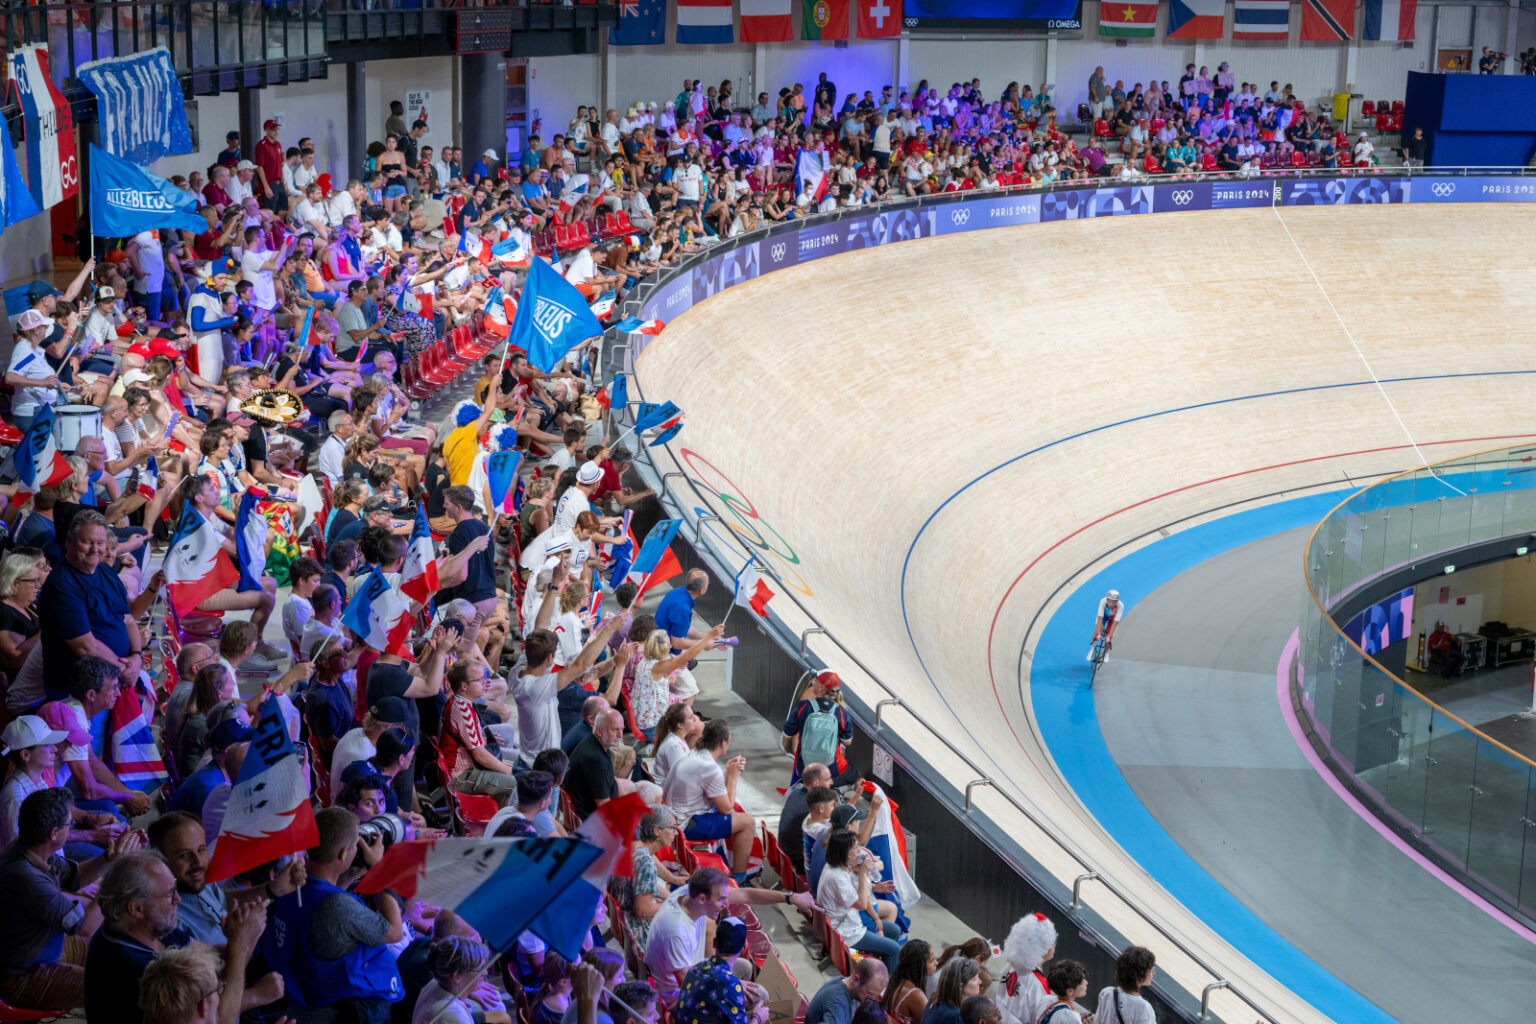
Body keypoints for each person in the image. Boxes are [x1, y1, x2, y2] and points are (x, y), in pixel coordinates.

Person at [0, 787, 144, 1010]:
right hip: (24, 976)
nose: (72, 828)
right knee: (119, 991)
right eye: (69, 824)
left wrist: (110, 857)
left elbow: (74, 877)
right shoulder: (26, 877)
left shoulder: (30, 849)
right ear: (54, 834)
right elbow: (85, 926)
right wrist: (117, 873)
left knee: (120, 952)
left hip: (46, 948)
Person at [263, 806, 406, 1022]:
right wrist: (379, 870)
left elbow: (319, 897)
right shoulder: (338, 907)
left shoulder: (289, 883)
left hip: (301, 999)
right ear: (343, 853)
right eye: (355, 845)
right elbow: (394, 932)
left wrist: (348, 874)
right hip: (336, 1010)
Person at [661, 719, 758, 884]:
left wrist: (727, 771)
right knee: (747, 822)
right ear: (723, 743)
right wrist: (733, 778)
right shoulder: (708, 767)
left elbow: (712, 788)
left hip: (676, 816)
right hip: (686, 824)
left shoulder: (693, 754)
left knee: (736, 809)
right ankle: (739, 879)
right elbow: (726, 808)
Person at [817, 827, 902, 971]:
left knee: (894, 930)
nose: (860, 852)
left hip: (846, 921)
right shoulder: (837, 877)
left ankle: (880, 966)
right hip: (845, 931)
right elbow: (862, 904)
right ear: (845, 854)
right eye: (856, 849)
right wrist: (863, 874)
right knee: (893, 949)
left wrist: (874, 888)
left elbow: (854, 894)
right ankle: (884, 988)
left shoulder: (836, 867)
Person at [674, 916, 765, 1024]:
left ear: (714, 943)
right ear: (743, 949)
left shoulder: (696, 968)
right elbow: (725, 985)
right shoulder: (732, 987)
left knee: (745, 966)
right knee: (763, 995)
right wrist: (757, 1018)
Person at [412, 935, 511, 1024]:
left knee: (502, 1016)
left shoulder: (436, 982)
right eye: (479, 969)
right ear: (457, 976)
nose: (485, 973)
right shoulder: (454, 1015)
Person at [783, 671, 855, 785]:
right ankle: (836, 791)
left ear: (821, 688)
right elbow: (848, 742)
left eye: (815, 680)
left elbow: (787, 734)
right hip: (831, 770)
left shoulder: (804, 706)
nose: (812, 681)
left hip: (804, 769)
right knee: (854, 772)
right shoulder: (841, 712)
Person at [564, 708, 626, 819]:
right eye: (615, 730)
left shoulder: (596, 743)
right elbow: (604, 807)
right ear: (599, 731)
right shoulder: (595, 760)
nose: (620, 735)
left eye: (622, 729)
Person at [999, 913, 1056, 1024]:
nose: (1054, 946)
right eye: (1051, 942)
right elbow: (1041, 1019)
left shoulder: (1010, 966)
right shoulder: (1038, 983)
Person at [806, 960, 890, 1024]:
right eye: (869, 994)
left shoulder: (844, 982)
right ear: (856, 980)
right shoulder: (838, 1006)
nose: (872, 999)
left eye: (876, 996)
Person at [1090, 947, 1154, 1024]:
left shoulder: (1106, 992)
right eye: (1151, 970)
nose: (1153, 973)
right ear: (1140, 975)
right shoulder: (1143, 1008)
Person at [883, 939, 934, 1022]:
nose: (936, 963)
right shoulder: (916, 995)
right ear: (920, 966)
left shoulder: (898, 979)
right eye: (932, 961)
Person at [921, 958, 982, 1024]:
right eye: (975, 979)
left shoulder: (933, 1003)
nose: (980, 982)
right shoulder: (956, 1017)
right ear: (960, 986)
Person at [1088, 589, 1122, 661]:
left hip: (1113, 620)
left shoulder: (1120, 606)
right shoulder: (1103, 601)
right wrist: (1098, 633)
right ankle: (1092, 649)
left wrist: (1109, 636)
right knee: (1098, 629)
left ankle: (1106, 652)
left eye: (1113, 602)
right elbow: (1100, 618)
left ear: (1117, 601)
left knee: (1109, 635)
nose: (1111, 604)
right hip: (1103, 617)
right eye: (1109, 602)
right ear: (1107, 599)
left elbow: (1115, 623)